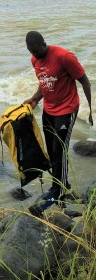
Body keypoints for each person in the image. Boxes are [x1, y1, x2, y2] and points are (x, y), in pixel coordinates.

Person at [23, 31, 92, 215]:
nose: (35, 54)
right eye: (31, 52)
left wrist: (91, 110)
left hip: (67, 109)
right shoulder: (34, 60)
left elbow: (85, 81)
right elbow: (44, 82)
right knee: (51, 149)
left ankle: (58, 190)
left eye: (37, 50)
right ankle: (62, 183)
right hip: (49, 109)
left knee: (59, 149)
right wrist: (35, 98)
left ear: (44, 44)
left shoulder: (64, 56)